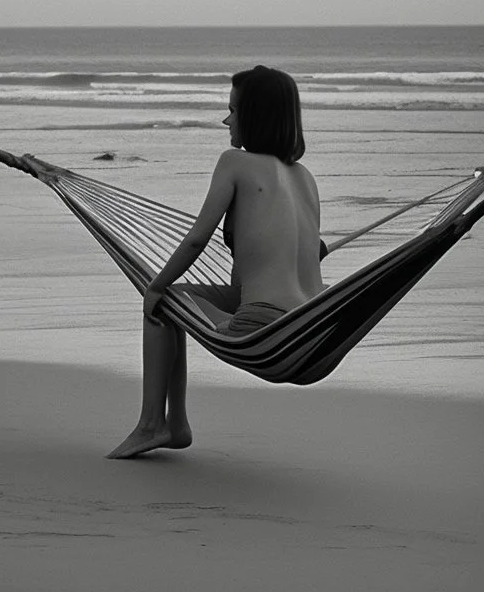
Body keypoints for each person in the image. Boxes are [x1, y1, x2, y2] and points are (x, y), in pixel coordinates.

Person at [104, 65, 324, 459]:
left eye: (234, 110)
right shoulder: (305, 179)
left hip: (259, 323)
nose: (227, 120)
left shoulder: (234, 163)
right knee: (179, 298)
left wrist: (154, 287)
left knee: (162, 304)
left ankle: (153, 423)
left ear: (254, 115)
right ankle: (177, 426)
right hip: (312, 327)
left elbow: (196, 240)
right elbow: (266, 265)